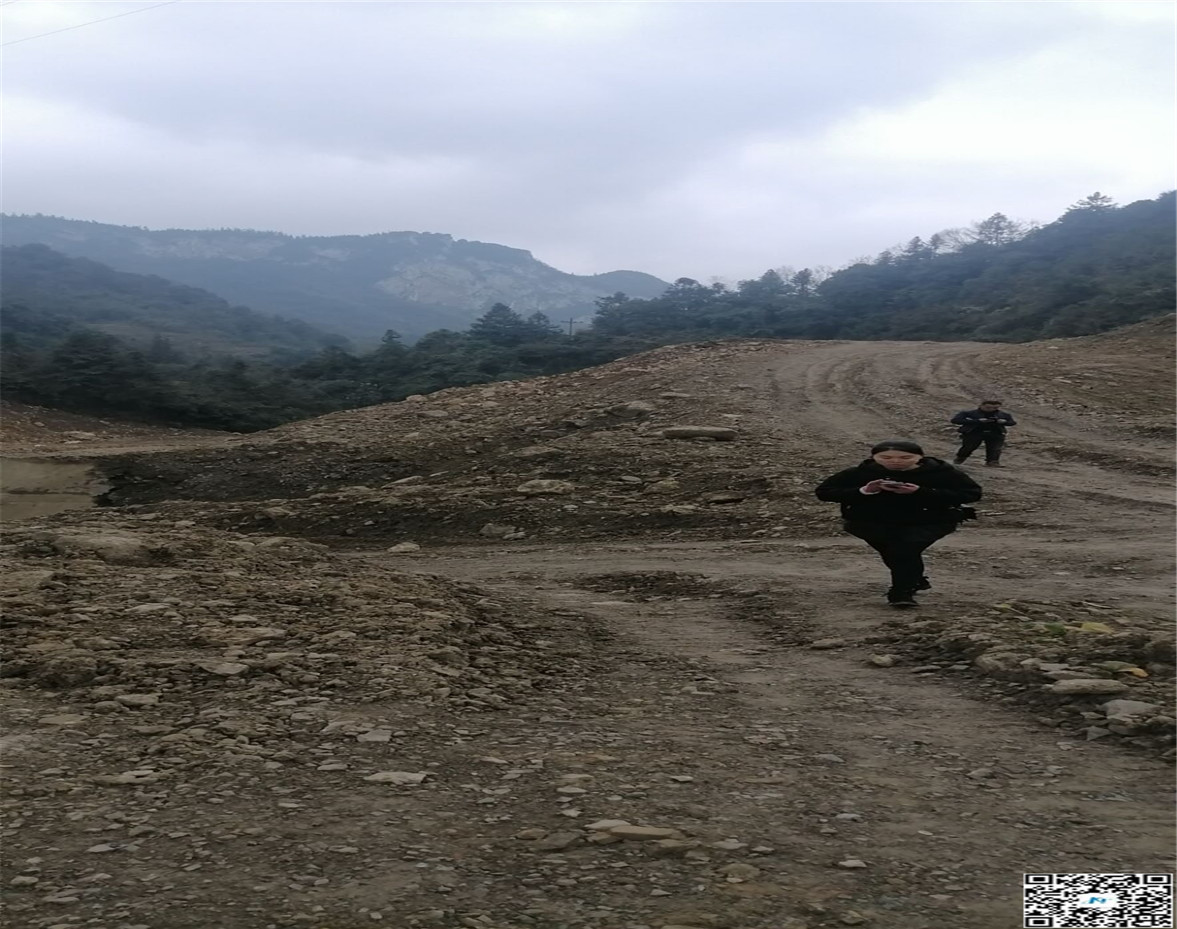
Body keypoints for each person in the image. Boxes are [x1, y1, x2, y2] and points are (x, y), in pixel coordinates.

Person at [815, 440, 982, 609]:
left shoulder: (941, 472)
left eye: (905, 457)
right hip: (870, 523)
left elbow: (972, 493)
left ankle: (901, 593)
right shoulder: (860, 473)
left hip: (927, 522)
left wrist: (920, 492)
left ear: (920, 457)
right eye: (886, 457)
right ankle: (914, 580)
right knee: (893, 554)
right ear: (874, 457)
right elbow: (824, 492)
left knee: (904, 551)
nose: (895, 461)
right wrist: (865, 491)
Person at [951, 400, 1016, 467]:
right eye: (988, 407)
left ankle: (992, 462)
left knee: (995, 448)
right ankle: (960, 458)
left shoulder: (1003, 414)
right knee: (968, 447)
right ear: (981, 406)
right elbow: (955, 420)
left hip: (995, 432)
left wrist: (1004, 422)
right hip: (974, 432)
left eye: (995, 408)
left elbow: (1012, 422)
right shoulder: (969, 413)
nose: (991, 409)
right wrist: (977, 421)